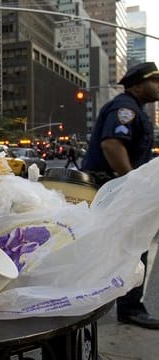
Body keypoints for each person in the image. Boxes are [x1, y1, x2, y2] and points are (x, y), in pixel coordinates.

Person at [81, 61, 159, 329]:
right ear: (138, 84)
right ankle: (128, 308)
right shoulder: (124, 108)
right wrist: (132, 183)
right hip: (113, 186)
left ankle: (124, 304)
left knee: (125, 245)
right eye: (155, 80)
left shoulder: (134, 108)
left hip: (115, 187)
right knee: (133, 244)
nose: (158, 85)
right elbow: (112, 144)